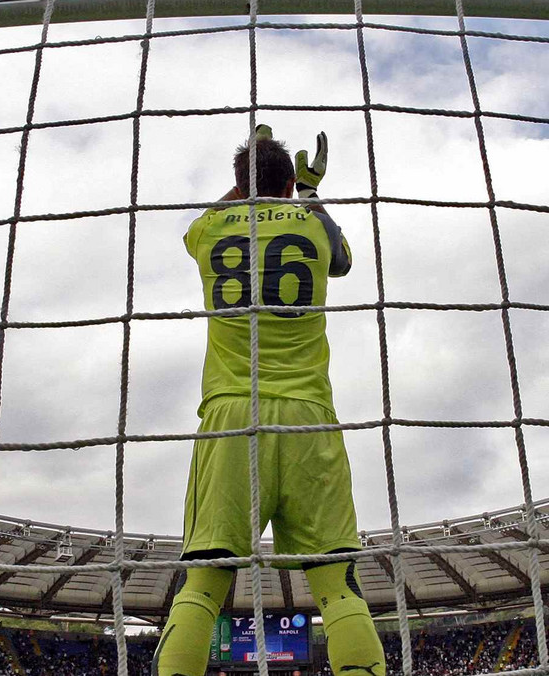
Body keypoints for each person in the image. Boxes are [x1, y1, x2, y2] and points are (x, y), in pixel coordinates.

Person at [152, 125, 385, 676]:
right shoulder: (309, 220)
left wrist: (246, 181)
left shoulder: (209, 229)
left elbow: (205, 220)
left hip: (231, 416)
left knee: (205, 584)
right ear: (288, 185)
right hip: (308, 418)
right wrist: (306, 191)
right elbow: (343, 259)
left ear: (238, 184)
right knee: (337, 586)